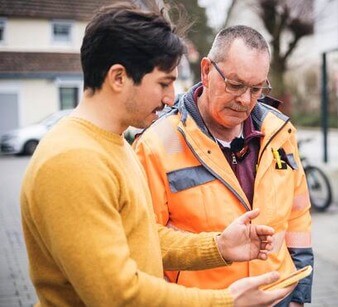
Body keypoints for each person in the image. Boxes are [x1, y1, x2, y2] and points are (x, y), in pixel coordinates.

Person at [20, 3, 296, 306]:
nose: (169, 98)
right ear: (119, 78)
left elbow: (142, 237)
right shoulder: (72, 160)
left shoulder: (114, 145)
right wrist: (227, 302)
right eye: (164, 83)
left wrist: (218, 246)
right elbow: (116, 295)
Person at [133, 25, 314, 306]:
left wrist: (299, 294)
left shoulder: (280, 133)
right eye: (235, 84)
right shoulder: (156, 144)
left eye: (256, 88)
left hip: (277, 296)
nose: (245, 100)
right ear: (206, 71)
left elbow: (298, 215)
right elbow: (144, 240)